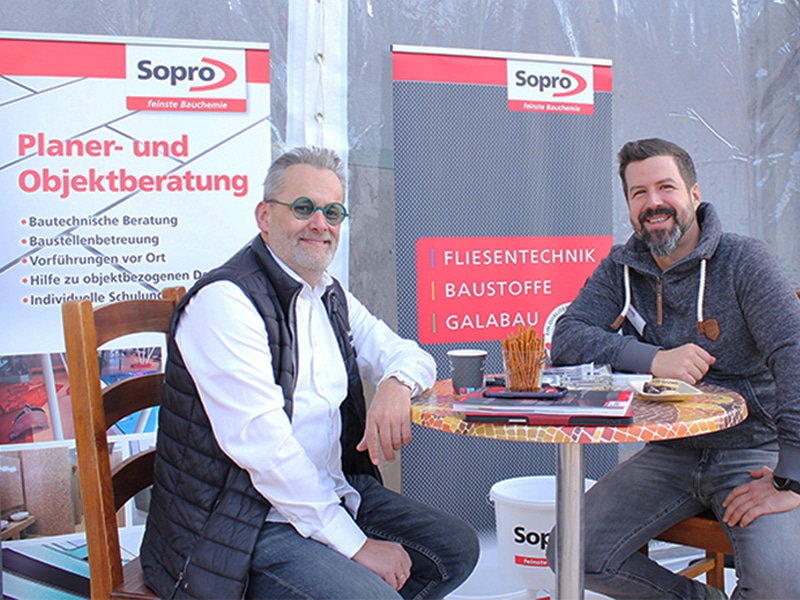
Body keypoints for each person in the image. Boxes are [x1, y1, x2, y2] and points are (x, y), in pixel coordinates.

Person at [140, 146, 479, 599]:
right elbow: (267, 452)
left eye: (332, 212)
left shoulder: (326, 292)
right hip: (239, 523)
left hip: (326, 494)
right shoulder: (226, 301)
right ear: (265, 216)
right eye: (303, 208)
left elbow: (407, 354)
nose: (320, 224)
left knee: (454, 549)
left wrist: (396, 384)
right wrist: (356, 546)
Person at [545, 138, 800, 599]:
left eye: (666, 187)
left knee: (780, 587)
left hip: (753, 452)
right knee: (571, 553)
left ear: (694, 194)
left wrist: (793, 477)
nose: (653, 202)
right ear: (628, 204)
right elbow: (568, 338)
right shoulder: (621, 268)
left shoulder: (744, 261)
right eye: (638, 193)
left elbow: (795, 353)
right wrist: (653, 359)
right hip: (670, 452)